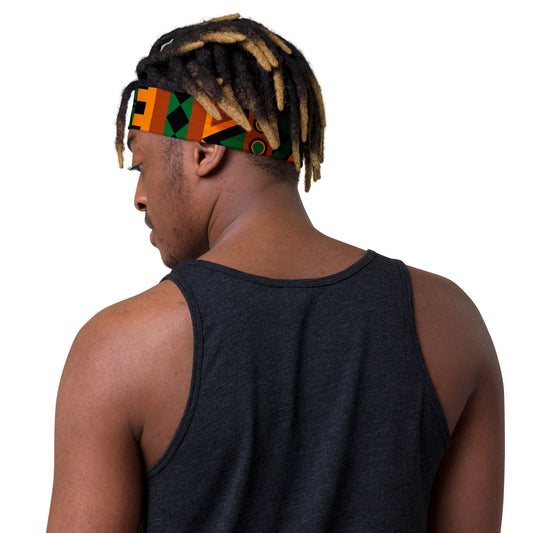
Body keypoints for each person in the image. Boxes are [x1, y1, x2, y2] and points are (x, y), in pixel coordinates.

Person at [47, 14, 504, 532]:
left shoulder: (118, 351)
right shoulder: (451, 323)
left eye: (141, 166)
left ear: (204, 151)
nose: (139, 197)